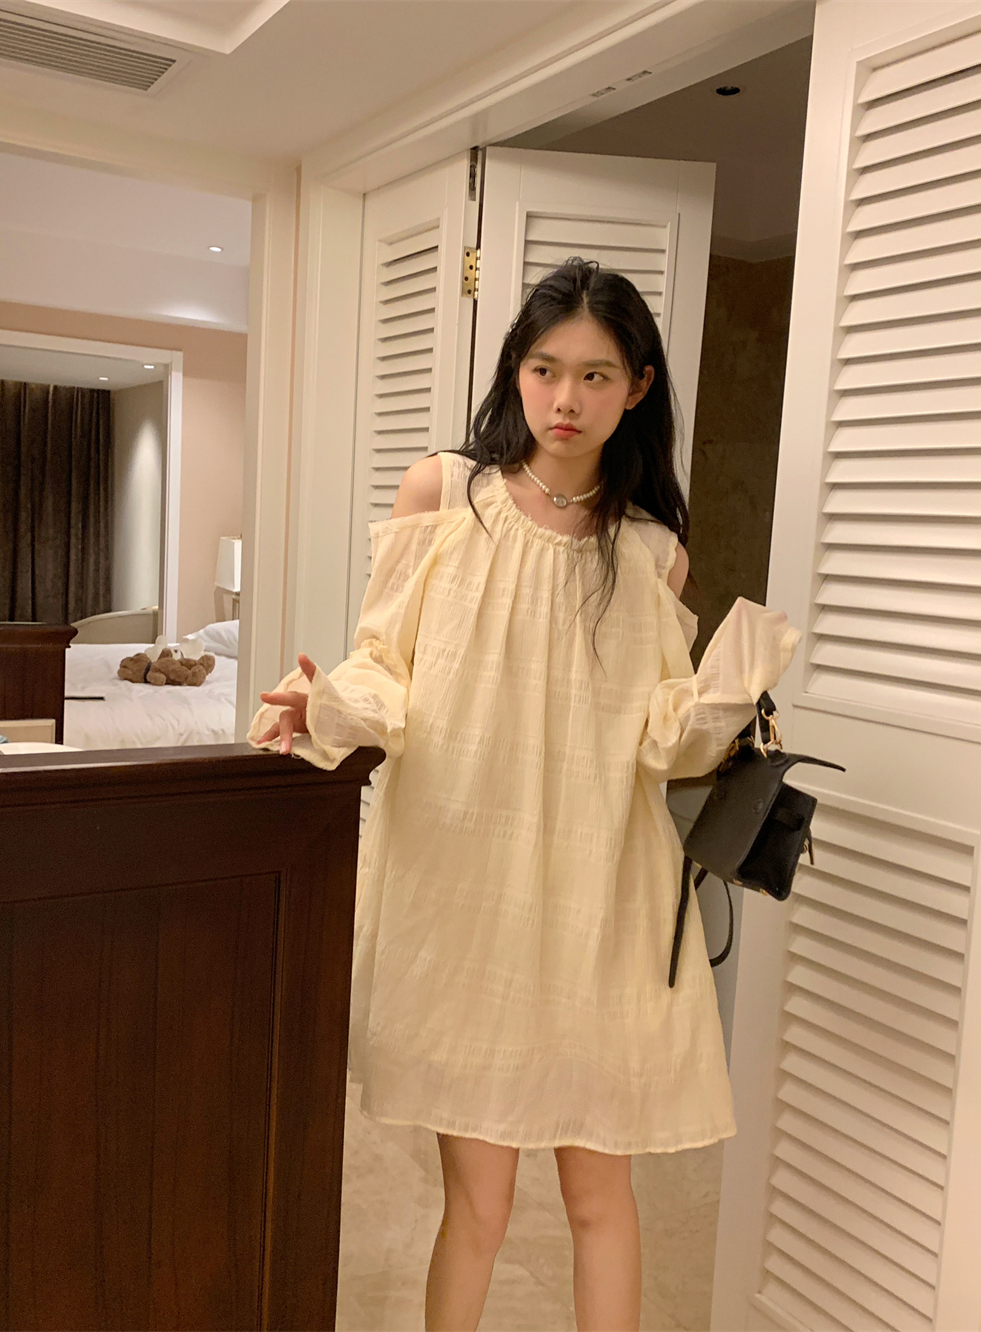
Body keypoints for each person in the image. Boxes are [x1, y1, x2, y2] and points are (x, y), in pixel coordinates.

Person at [249, 258, 801, 1331]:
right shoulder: (443, 496)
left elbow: (662, 743)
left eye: (596, 376)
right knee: (482, 1205)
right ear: (515, 369)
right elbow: (387, 669)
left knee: (601, 1200)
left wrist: (730, 685)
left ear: (637, 387)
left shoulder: (653, 552)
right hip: (466, 893)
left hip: (602, 899)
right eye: (545, 369)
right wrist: (327, 706)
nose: (565, 400)